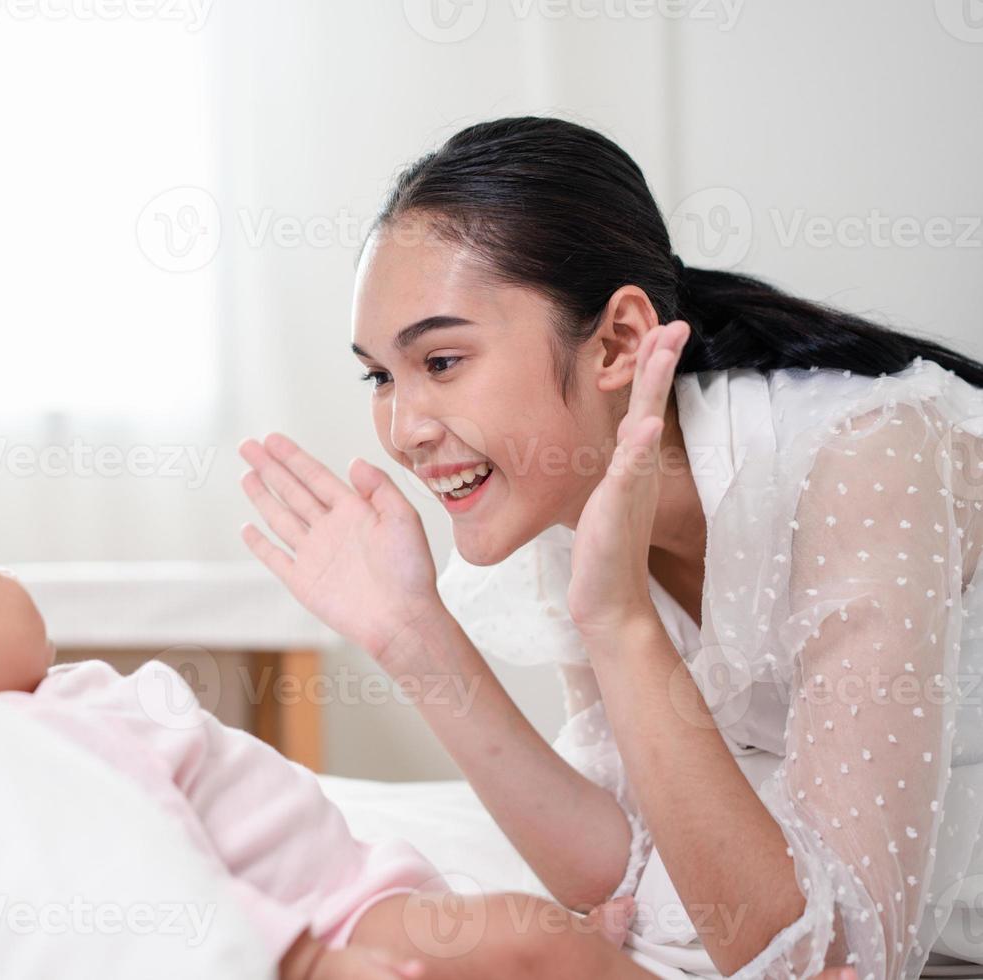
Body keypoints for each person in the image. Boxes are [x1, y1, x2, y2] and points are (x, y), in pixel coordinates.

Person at [238, 116, 983, 980]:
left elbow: (834, 963)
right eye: (380, 377)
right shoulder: (575, 473)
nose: (403, 432)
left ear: (619, 342)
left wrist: (621, 618)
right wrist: (414, 635)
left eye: (440, 362)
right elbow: (613, 862)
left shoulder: (865, 457)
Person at [0, 484, 647, 980]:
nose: (5, 575)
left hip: (343, 903)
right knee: (532, 945)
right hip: (336, 922)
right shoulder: (40, 735)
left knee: (525, 938)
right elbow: (149, 864)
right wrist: (305, 960)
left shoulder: (15, 733)